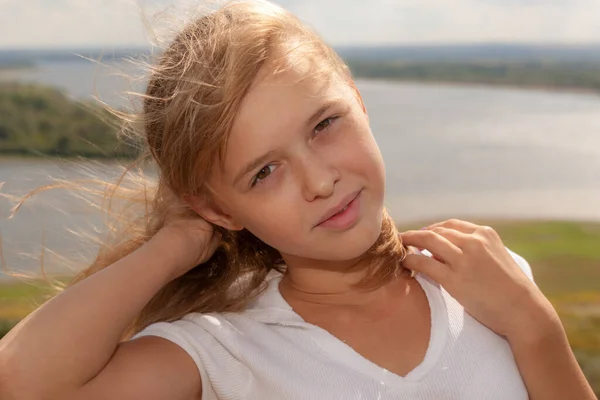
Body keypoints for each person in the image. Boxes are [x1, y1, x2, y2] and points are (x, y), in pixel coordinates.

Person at [0, 1, 596, 399]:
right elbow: (18, 383)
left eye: (323, 125)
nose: (318, 180)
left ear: (359, 102)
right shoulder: (220, 350)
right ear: (219, 209)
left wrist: (535, 326)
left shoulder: (489, 285)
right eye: (264, 172)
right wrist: (176, 245)